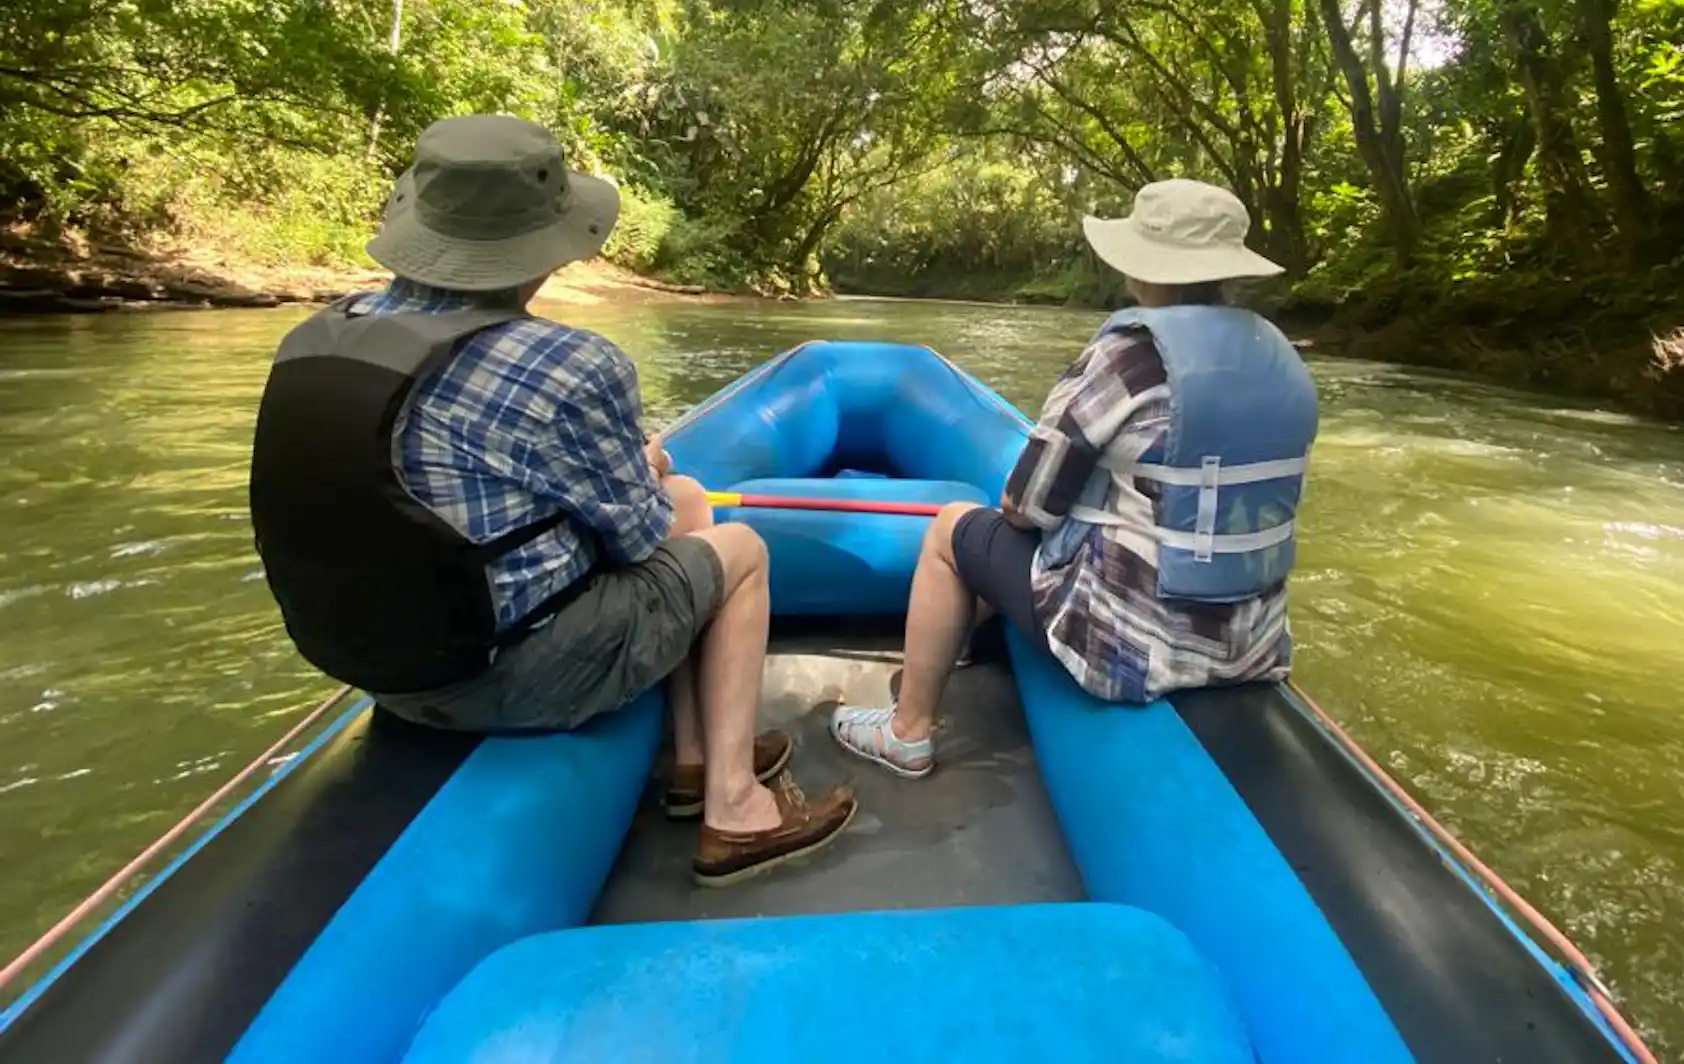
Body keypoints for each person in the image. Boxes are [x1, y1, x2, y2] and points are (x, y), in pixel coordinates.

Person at [249, 114, 855, 885]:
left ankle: (696, 762)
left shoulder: (314, 335)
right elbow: (638, 540)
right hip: (499, 676)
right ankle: (735, 809)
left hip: (376, 665)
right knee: (739, 551)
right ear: (544, 247)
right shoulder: (568, 363)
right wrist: (641, 467)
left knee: (690, 499)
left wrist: (645, 478)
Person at [831, 179, 1317, 775]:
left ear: (1143, 268)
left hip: (1133, 648)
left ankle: (907, 729)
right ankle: (952, 650)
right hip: (1254, 647)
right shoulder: (1280, 358)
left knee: (952, 532)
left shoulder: (1131, 356)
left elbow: (1024, 505)